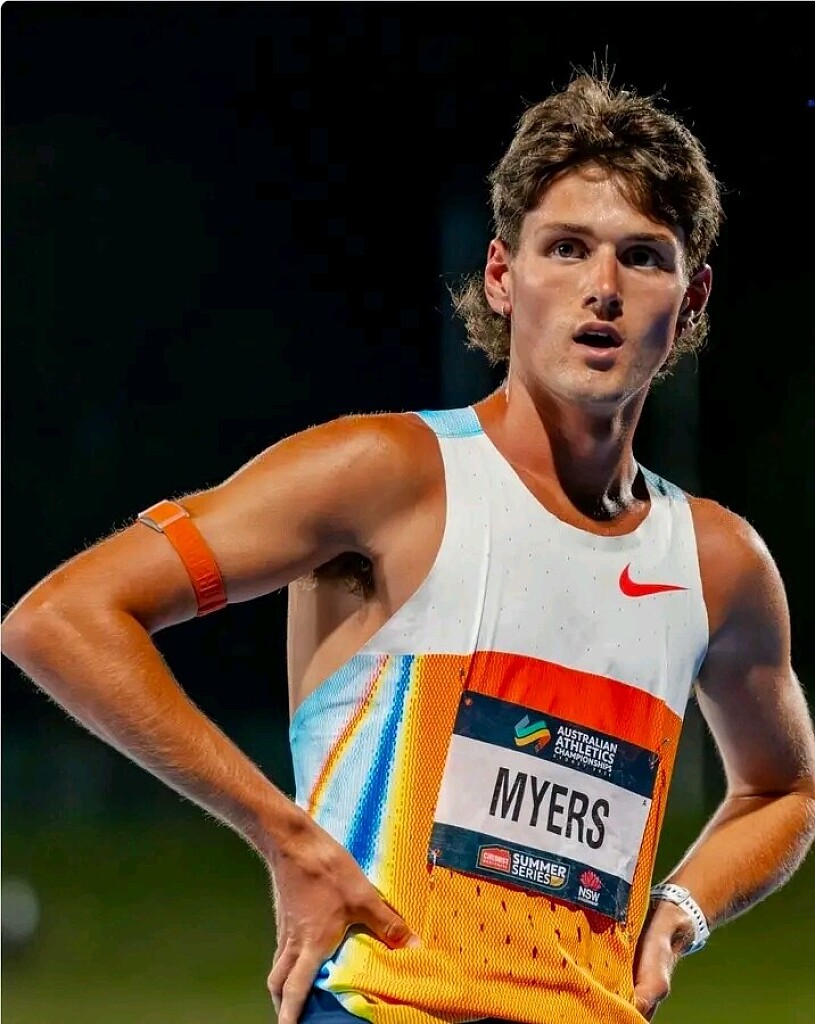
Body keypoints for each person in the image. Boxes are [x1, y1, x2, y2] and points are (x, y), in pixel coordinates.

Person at [3, 72, 814, 1024]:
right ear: (502, 277)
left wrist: (679, 915)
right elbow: (62, 619)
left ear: (691, 295)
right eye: (566, 249)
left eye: (642, 257)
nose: (602, 289)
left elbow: (783, 789)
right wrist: (284, 837)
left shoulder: (715, 560)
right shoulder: (388, 474)